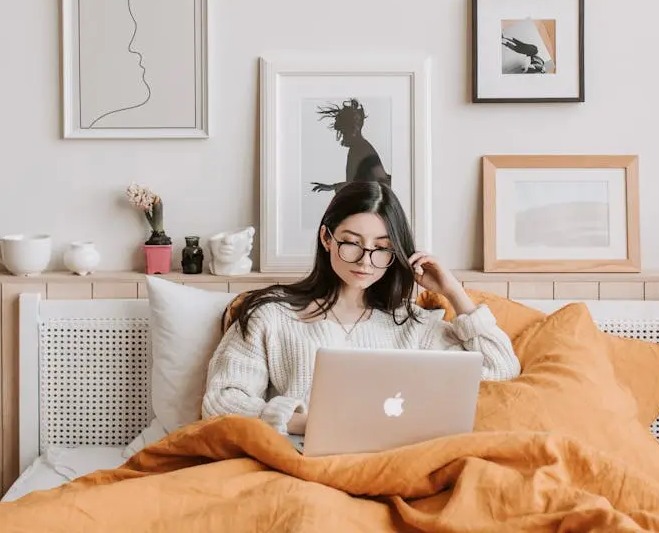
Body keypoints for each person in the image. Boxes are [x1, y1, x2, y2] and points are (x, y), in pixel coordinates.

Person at [201, 181, 520, 436]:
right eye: (352, 243)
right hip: (299, 459)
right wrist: (305, 423)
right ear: (327, 238)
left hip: (393, 464)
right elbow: (222, 401)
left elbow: (501, 369)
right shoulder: (271, 315)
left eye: (382, 249)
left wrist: (453, 291)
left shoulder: (415, 326)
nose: (366, 261)